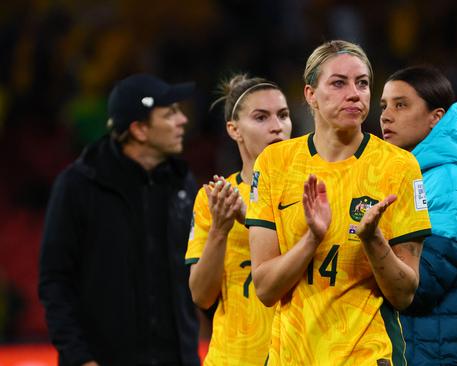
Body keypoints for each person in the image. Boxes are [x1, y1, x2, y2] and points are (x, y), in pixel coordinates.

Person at [245, 40, 431, 366]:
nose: (354, 93)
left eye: (362, 83)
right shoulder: (275, 164)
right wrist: (312, 238)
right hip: (292, 356)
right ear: (310, 95)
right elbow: (265, 289)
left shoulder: (399, 167)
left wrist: (374, 242)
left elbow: (404, 295)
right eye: (338, 83)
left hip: (369, 355)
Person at [39, 74, 200, 366]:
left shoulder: (182, 184)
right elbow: (55, 282)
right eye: (170, 113)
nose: (182, 121)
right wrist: (80, 359)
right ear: (139, 129)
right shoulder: (79, 186)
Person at [379, 65, 457, 365]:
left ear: (436, 118)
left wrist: (366, 244)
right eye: (384, 106)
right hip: (422, 348)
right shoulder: (410, 177)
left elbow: (421, 285)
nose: (386, 115)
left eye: (401, 104)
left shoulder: (452, 182)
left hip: (443, 355)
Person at [185, 74, 292, 365]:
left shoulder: (313, 191)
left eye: (283, 115)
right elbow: (201, 296)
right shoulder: (214, 198)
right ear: (234, 130)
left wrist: (250, 219)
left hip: (297, 353)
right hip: (232, 356)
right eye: (261, 117)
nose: (277, 127)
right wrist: (220, 229)